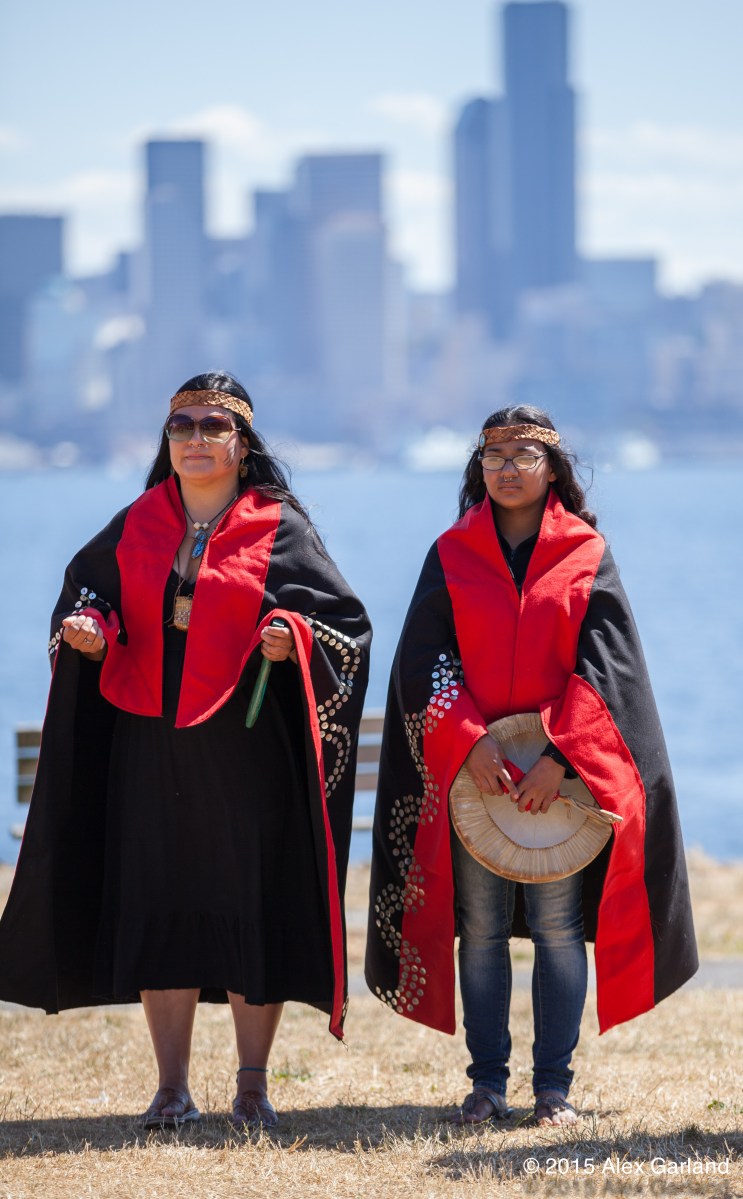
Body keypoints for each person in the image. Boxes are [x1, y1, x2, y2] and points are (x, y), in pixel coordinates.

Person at [0, 371, 371, 1130]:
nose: (194, 439)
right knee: (156, 903)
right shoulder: (136, 521)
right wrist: (90, 631)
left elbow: (343, 627)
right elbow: (86, 598)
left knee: (248, 904)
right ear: (166, 440)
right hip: (149, 746)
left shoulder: (281, 527)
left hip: (246, 755)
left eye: (212, 426)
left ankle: (252, 1086)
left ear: (242, 443)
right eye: (181, 426)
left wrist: (291, 637)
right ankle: (171, 1087)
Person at [365, 405, 697, 1127]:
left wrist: (557, 756)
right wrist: (468, 739)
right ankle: (486, 1083)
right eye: (494, 456)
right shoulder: (451, 552)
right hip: (477, 777)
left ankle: (553, 1088)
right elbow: (425, 661)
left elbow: (607, 667)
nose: (507, 468)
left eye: (523, 455)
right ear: (478, 467)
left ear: (552, 468)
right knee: (480, 927)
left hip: (557, 779)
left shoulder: (584, 551)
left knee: (556, 926)